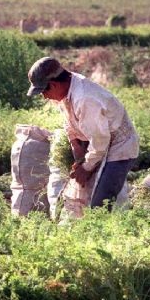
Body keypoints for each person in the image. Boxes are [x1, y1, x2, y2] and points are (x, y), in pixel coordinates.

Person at [26, 56, 139, 210]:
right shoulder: (66, 90)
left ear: (53, 84)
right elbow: (69, 123)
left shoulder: (85, 98)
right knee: (90, 196)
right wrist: (76, 149)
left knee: (101, 202)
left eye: (43, 92)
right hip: (98, 142)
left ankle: (108, 228)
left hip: (119, 146)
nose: (44, 97)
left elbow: (100, 140)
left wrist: (86, 168)